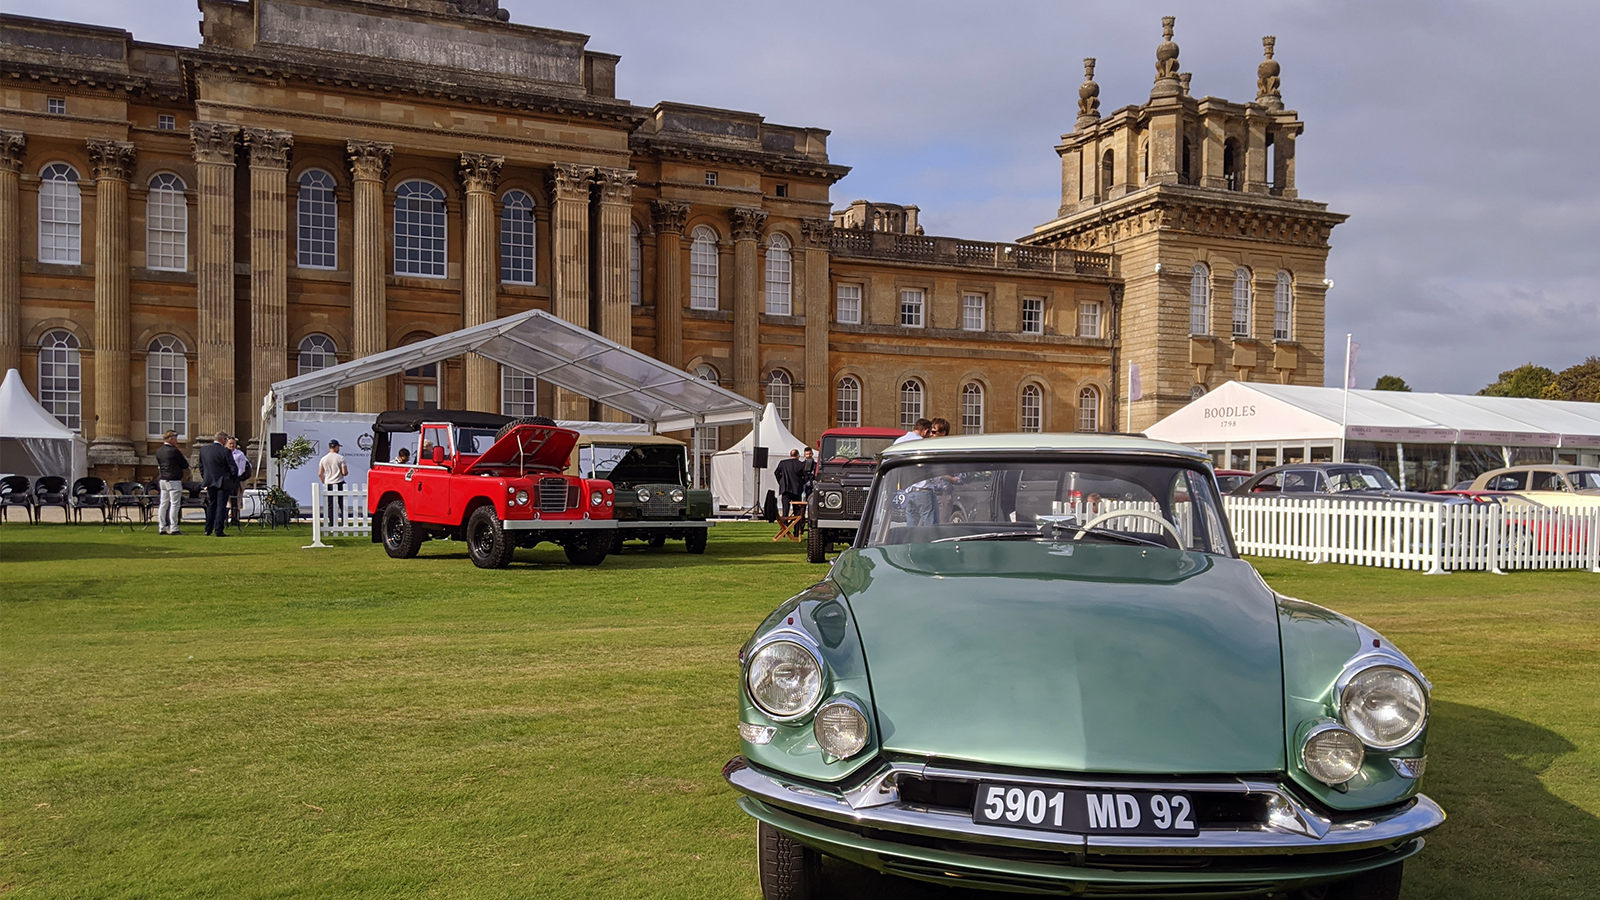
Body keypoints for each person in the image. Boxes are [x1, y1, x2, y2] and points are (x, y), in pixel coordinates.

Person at [198, 431, 236, 537]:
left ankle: (208, 529)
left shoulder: (204, 450)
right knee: (221, 506)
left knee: (211, 505)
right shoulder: (225, 451)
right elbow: (233, 468)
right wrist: (232, 479)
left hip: (210, 481)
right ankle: (218, 530)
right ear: (223, 440)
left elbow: (201, 467)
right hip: (223, 481)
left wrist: (206, 478)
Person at [155, 429, 189, 535]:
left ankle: (162, 527)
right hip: (174, 479)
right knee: (175, 504)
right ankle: (174, 527)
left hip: (163, 479)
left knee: (163, 504)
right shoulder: (174, 451)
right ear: (170, 439)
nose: (177, 441)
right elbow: (185, 464)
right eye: (175, 439)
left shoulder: (159, 451)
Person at [318, 439, 349, 524]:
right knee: (342, 505)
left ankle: (332, 523)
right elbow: (344, 472)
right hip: (339, 482)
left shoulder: (323, 459)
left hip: (329, 483)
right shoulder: (341, 458)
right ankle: (344, 523)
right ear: (336, 447)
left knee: (330, 505)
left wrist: (324, 482)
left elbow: (320, 473)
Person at [773, 449, 808, 518]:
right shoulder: (801, 464)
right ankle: (796, 524)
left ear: (790, 455)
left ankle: (785, 524)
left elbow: (776, 473)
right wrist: (801, 483)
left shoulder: (783, 463)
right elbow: (806, 477)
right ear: (798, 456)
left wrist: (781, 482)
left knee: (785, 510)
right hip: (797, 489)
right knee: (797, 511)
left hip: (785, 489)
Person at [226, 436, 250, 526]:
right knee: (228, 499)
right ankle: (229, 515)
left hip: (237, 479)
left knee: (237, 499)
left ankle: (236, 517)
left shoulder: (240, 454)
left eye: (233, 444)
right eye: (230, 444)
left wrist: (235, 476)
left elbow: (242, 468)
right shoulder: (224, 453)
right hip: (227, 479)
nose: (231, 445)